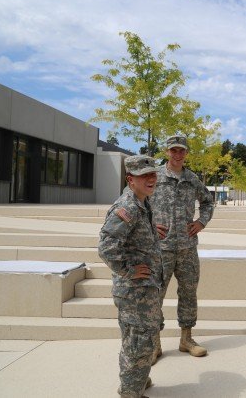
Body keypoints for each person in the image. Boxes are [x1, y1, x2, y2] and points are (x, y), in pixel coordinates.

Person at [98, 155, 163, 398]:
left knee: (137, 339)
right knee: (138, 344)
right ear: (130, 179)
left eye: (153, 174)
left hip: (145, 289)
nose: (151, 179)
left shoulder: (143, 203)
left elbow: (131, 239)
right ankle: (130, 392)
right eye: (144, 175)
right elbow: (106, 248)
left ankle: (136, 381)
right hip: (134, 291)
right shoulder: (127, 207)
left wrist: (151, 233)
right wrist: (129, 270)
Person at [150, 135, 214, 361]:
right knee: (155, 295)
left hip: (187, 247)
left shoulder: (191, 179)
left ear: (186, 153)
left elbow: (208, 201)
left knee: (188, 293)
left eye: (182, 151)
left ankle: (186, 339)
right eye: (173, 150)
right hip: (161, 248)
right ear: (167, 151)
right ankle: (154, 344)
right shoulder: (154, 176)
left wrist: (201, 222)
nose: (178, 154)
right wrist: (148, 226)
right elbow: (137, 200)